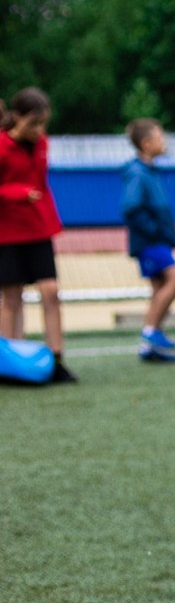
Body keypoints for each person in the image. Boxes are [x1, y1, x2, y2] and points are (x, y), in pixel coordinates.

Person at [0, 88, 74, 383]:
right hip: (7, 231)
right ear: (17, 117)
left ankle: (57, 359)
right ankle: (6, 362)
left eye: (43, 123)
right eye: (34, 123)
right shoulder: (2, 146)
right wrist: (18, 193)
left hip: (38, 227)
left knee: (51, 291)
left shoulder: (42, 143)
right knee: (11, 297)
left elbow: (41, 182)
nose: (40, 130)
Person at [121, 117, 175, 365]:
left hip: (157, 239)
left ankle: (149, 348)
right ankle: (149, 331)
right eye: (160, 136)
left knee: (160, 288)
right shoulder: (138, 173)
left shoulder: (149, 171)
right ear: (146, 143)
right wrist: (154, 231)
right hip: (151, 241)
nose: (164, 141)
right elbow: (131, 207)